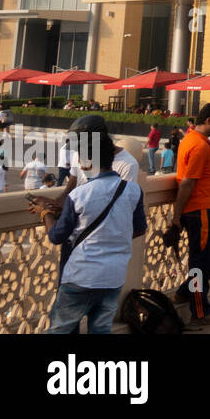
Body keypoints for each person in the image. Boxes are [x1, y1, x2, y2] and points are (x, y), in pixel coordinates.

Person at [30, 120, 145, 334]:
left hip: (81, 273)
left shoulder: (79, 195)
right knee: (100, 329)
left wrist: (45, 212)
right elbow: (138, 229)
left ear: (86, 162)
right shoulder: (134, 191)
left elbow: (56, 236)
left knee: (61, 329)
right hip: (113, 275)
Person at [168, 102, 210, 327]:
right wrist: (176, 215)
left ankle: (187, 290)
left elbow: (196, 171)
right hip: (198, 210)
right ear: (208, 121)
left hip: (202, 209)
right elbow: (187, 182)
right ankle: (200, 311)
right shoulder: (199, 146)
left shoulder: (192, 140)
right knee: (198, 261)